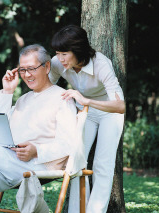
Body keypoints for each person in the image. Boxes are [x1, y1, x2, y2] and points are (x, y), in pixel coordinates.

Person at [0, 44, 87, 213]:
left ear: (47, 66)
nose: (27, 75)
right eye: (22, 70)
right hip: (12, 162)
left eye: (32, 69)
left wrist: (37, 151)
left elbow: (68, 144)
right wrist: (7, 92)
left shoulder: (62, 98)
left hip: (39, 165)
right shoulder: (23, 99)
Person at [49, 25, 125, 213]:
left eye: (64, 54)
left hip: (110, 110)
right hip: (84, 111)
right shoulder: (58, 63)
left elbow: (120, 106)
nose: (60, 59)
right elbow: (46, 87)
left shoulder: (101, 63)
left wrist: (85, 100)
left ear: (78, 50)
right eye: (57, 53)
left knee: (102, 164)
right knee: (76, 161)